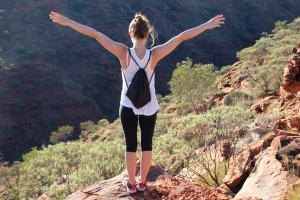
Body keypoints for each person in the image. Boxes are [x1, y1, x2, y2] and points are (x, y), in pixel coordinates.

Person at [49, 11, 225, 193]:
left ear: (130, 33)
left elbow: (95, 34)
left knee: (130, 144)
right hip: (150, 106)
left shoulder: (123, 52)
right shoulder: (154, 54)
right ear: (147, 34)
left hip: (127, 106)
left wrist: (68, 21)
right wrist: (207, 24)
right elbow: (181, 38)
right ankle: (143, 183)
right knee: (147, 144)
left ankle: (131, 184)